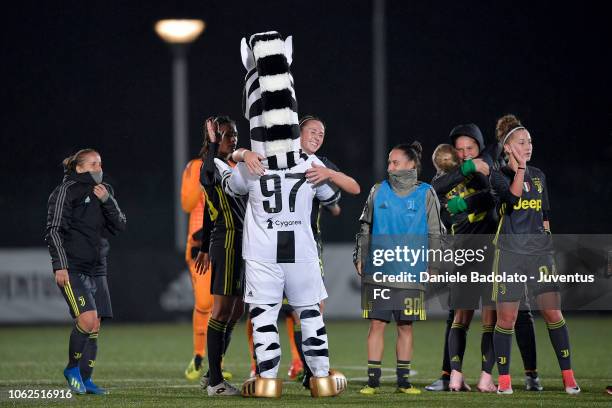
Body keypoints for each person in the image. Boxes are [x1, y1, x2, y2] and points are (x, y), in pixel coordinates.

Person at [236, 115, 361, 382]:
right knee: (271, 310)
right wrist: (244, 152)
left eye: (322, 133)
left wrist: (328, 180)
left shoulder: (318, 164)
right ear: (297, 133)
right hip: (278, 246)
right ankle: (264, 366)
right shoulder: (269, 157)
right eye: (312, 131)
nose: (318, 136)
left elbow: (342, 196)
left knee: (300, 310)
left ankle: (303, 369)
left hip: (304, 246)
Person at [426, 124, 541, 392]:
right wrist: (470, 170)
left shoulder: (490, 171)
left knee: (482, 318)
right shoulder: (449, 177)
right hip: (469, 253)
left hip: (492, 252)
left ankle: (473, 376)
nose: (465, 154)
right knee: (465, 318)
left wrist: (467, 202)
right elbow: (437, 193)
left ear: (479, 148)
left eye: (471, 149)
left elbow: (501, 197)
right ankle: (463, 376)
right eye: (460, 149)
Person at [224, 140, 341, 397]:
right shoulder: (309, 161)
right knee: (310, 315)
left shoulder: (252, 163)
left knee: (264, 317)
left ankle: (266, 380)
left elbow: (230, 188)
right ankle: (321, 379)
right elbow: (333, 198)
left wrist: (241, 155)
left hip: (262, 251)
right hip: (301, 250)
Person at [489, 114, 579, 395]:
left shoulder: (539, 176)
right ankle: (504, 381)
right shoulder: (498, 175)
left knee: (553, 312)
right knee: (507, 319)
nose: (527, 146)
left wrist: (548, 245)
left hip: (539, 255)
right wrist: (519, 170)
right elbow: (513, 199)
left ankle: (569, 377)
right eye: (520, 142)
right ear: (507, 147)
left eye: (529, 141)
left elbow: (545, 215)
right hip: (510, 254)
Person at [354, 142, 443, 395]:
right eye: (389, 162)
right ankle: (373, 382)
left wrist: (434, 264)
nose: (390, 166)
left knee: (406, 327)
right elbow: (365, 226)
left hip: (411, 272)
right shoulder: (378, 191)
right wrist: (361, 255)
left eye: (395, 162)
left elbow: (436, 232)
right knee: (377, 325)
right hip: (379, 271)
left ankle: (403, 383)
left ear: (411, 165)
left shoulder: (426, 192)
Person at [45, 148, 126, 395]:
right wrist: (60, 265)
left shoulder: (105, 191)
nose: (99, 168)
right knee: (87, 319)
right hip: (73, 267)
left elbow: (120, 225)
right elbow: (54, 230)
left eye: (100, 163)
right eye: (93, 164)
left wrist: (107, 201)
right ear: (79, 168)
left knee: (95, 324)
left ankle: (86, 378)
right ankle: (72, 369)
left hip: (97, 268)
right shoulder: (65, 191)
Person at [193, 116, 246, 396]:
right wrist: (213, 145)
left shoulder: (231, 167)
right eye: (226, 135)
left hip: (241, 242)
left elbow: (209, 212)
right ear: (214, 138)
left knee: (236, 310)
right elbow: (209, 178)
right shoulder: (210, 164)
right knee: (221, 310)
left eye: (235, 134)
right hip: (227, 242)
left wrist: (202, 248)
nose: (233, 139)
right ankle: (215, 383)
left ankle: (213, 372)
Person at [181, 128, 214, 381]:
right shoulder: (194, 167)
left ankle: (218, 360)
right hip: (199, 242)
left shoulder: (236, 164)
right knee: (204, 303)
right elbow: (187, 204)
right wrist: (206, 181)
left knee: (229, 308)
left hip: (228, 241)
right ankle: (199, 355)